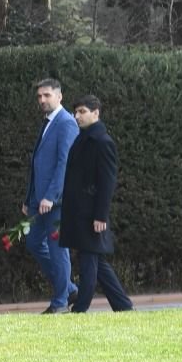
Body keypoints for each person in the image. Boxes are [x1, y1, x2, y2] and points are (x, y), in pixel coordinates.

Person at [60, 96, 134, 313]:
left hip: (91, 214)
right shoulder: (82, 140)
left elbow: (107, 182)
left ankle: (80, 309)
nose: (77, 116)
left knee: (88, 261)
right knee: (97, 263)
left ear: (96, 113)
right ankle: (123, 305)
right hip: (81, 212)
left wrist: (100, 216)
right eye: (76, 112)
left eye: (82, 111)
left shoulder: (102, 142)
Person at [24, 78, 80, 313]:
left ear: (59, 96)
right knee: (34, 242)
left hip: (55, 202)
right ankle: (68, 288)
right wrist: (30, 199)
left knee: (58, 250)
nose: (42, 100)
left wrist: (52, 196)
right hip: (39, 201)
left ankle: (59, 302)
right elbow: (38, 163)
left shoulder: (66, 123)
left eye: (47, 95)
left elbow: (64, 163)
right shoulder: (49, 122)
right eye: (39, 96)